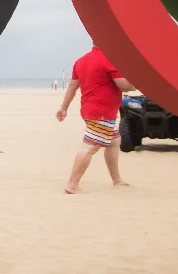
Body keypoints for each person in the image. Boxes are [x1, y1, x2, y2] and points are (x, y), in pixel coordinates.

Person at [55, 43, 135, 194]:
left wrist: (64, 108)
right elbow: (123, 85)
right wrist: (136, 83)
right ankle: (72, 184)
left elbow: (72, 86)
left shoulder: (81, 60)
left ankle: (116, 179)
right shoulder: (109, 58)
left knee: (113, 142)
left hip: (91, 110)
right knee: (90, 147)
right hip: (102, 112)